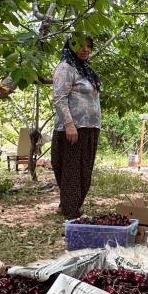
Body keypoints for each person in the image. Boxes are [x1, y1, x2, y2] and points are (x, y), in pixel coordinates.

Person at [52, 33, 101, 219]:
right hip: (73, 129)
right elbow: (59, 98)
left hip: (90, 128)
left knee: (84, 173)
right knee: (72, 172)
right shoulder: (66, 68)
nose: (85, 49)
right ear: (71, 47)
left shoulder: (85, 70)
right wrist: (69, 124)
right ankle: (70, 212)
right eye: (81, 45)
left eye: (89, 46)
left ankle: (71, 206)